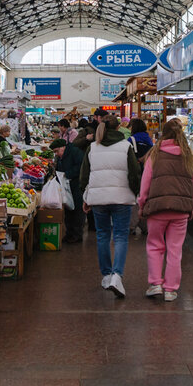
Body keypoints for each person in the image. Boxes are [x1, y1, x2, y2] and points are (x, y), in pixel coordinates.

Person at [138, 117, 193, 302]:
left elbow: (145, 183)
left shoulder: (154, 154)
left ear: (163, 134)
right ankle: (171, 290)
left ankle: (155, 284)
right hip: (180, 210)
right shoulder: (188, 155)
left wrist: (142, 204)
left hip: (157, 208)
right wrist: (191, 205)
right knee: (175, 249)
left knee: (155, 246)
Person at [80, 116, 141, 297]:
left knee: (103, 236)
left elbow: (84, 176)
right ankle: (117, 276)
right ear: (120, 127)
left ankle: (106, 275)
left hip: (98, 199)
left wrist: (86, 196)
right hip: (122, 199)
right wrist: (135, 193)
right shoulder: (126, 147)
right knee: (121, 236)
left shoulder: (93, 147)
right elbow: (134, 173)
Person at [51, 138, 85, 243]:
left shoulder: (75, 152)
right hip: (67, 185)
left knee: (77, 209)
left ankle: (77, 234)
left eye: (57, 151)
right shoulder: (61, 156)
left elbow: (81, 167)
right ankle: (69, 233)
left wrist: (67, 173)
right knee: (68, 209)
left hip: (76, 184)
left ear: (63, 147)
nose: (56, 154)